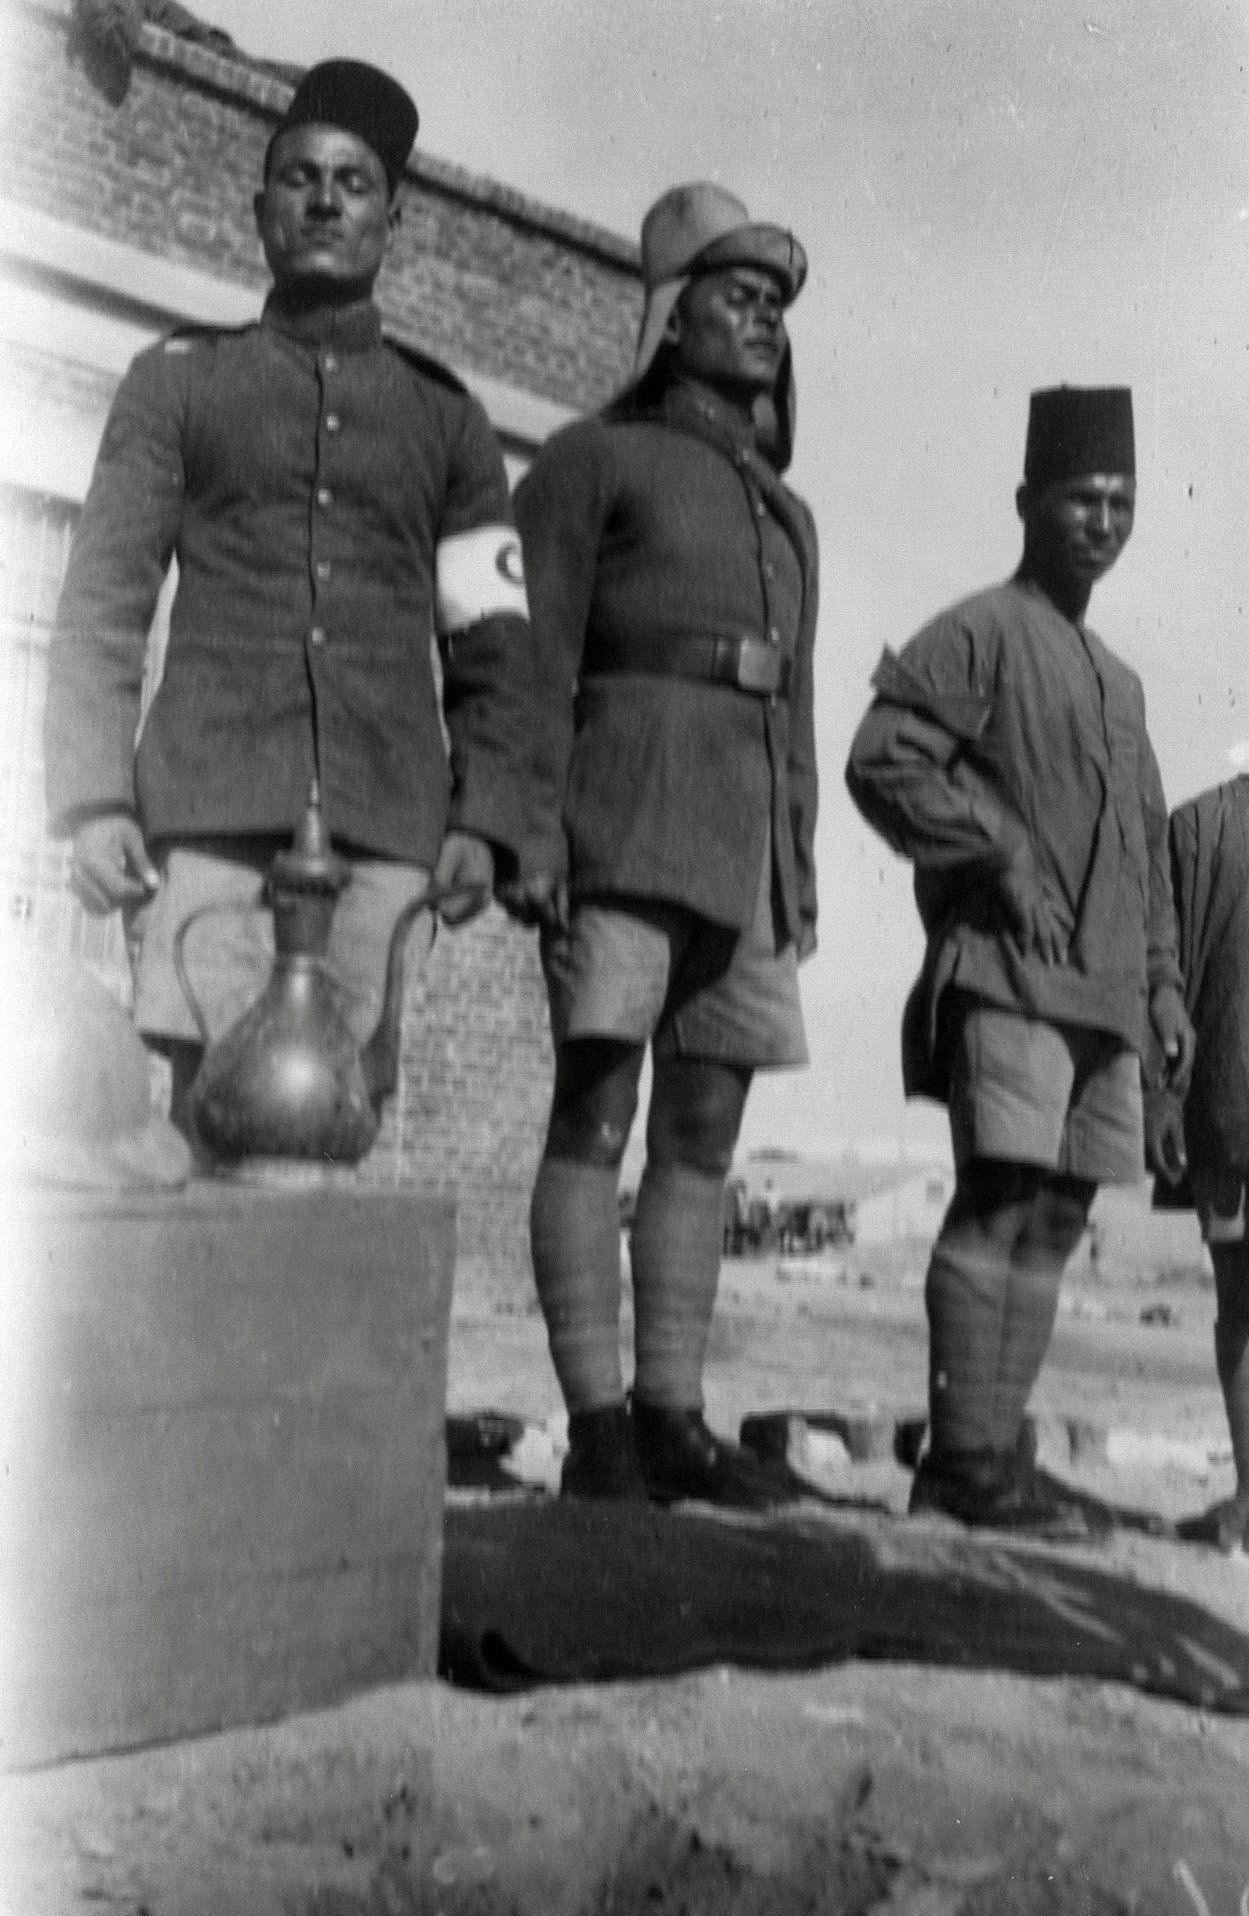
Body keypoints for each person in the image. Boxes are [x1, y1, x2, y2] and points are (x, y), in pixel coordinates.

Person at [44, 58, 533, 1133]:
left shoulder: (448, 422)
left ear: (392, 220)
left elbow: (496, 651)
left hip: (382, 828)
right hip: (211, 814)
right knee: (207, 1114)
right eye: (300, 178)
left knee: (337, 1117)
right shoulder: (177, 382)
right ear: (260, 209)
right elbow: (104, 601)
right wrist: (94, 798)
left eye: (353, 183)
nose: (324, 201)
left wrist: (487, 823)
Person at [502, 183, 819, 1506]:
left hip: (743, 861)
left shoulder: (786, 516)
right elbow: (528, 653)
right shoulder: (589, 461)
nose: (764, 321)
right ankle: (598, 1428)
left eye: (775, 305)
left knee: (702, 1136)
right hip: (622, 824)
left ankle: (674, 1418)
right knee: (594, 1117)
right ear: (670, 318)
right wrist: (526, 824)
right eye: (737, 296)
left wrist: (795, 862)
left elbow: (793, 706)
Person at [846, 385, 1194, 1537]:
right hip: (1007, 972)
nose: (1102, 521)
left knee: (1054, 1222)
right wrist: (995, 848)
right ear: (1026, 502)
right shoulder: (980, 630)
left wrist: (1161, 984)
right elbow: (883, 757)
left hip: (1104, 997)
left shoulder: (1119, 681)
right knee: (996, 1203)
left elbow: (1143, 846)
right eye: (1081, 498)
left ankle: (991, 1458)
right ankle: (959, 1459)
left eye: (1121, 502)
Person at [1146, 775, 1249, 1552]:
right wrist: (1162, 1096)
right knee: (1239, 1308)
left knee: (1239, 1309)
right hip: (1224, 1108)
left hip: (1222, 1109)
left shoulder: (1198, 826)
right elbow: (1161, 978)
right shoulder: (1194, 830)